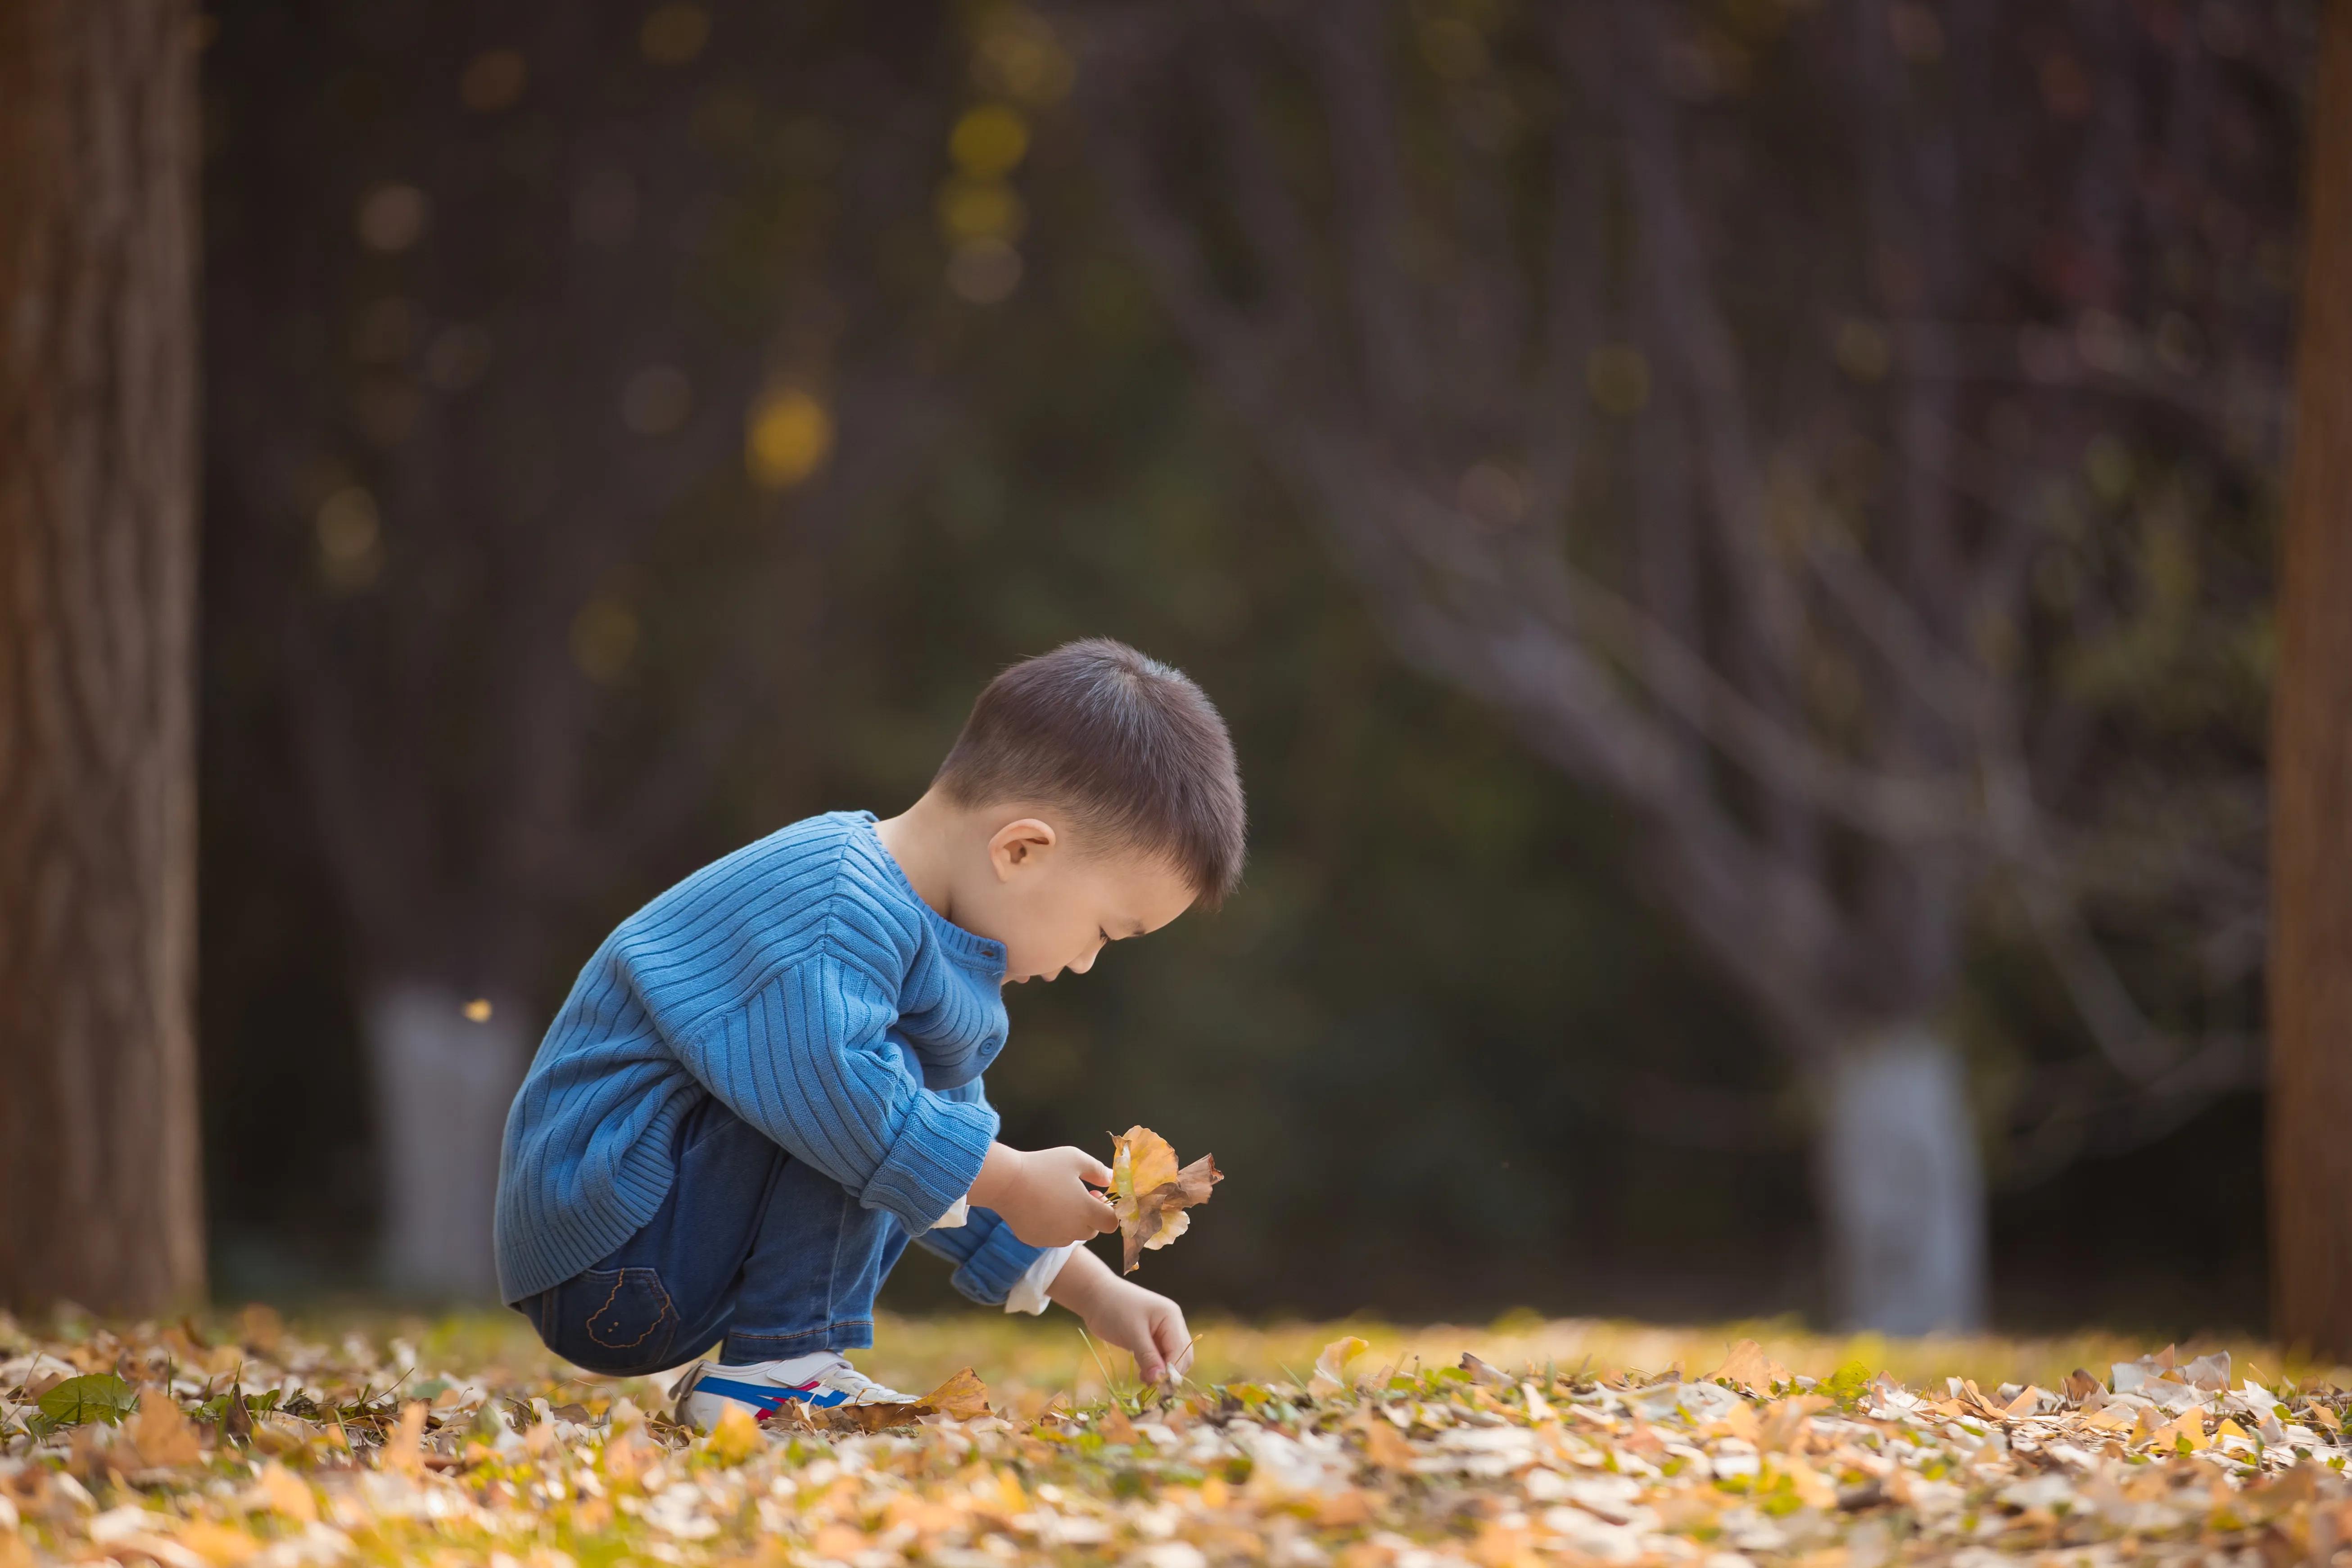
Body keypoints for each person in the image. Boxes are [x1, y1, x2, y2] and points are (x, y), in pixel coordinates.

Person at [493, 638, 1245, 1428]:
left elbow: (929, 1158)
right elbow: (843, 1102)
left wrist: (1095, 1290)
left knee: (902, 1108)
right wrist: (1014, 1179)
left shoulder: (924, 955)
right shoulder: (830, 905)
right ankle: (779, 1373)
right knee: (856, 1088)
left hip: (657, 1259)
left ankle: (778, 1366)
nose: (1088, 963)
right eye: (1103, 931)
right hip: (613, 1242)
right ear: (1021, 850)